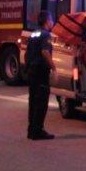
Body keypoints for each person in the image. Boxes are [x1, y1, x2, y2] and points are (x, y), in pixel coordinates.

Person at [25, 10, 56, 140]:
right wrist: (54, 68)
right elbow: (45, 52)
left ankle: (31, 130)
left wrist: (28, 67)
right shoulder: (46, 35)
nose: (52, 22)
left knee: (33, 101)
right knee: (41, 102)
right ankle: (38, 131)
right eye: (51, 19)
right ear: (47, 21)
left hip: (32, 70)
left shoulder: (33, 34)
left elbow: (26, 54)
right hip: (41, 72)